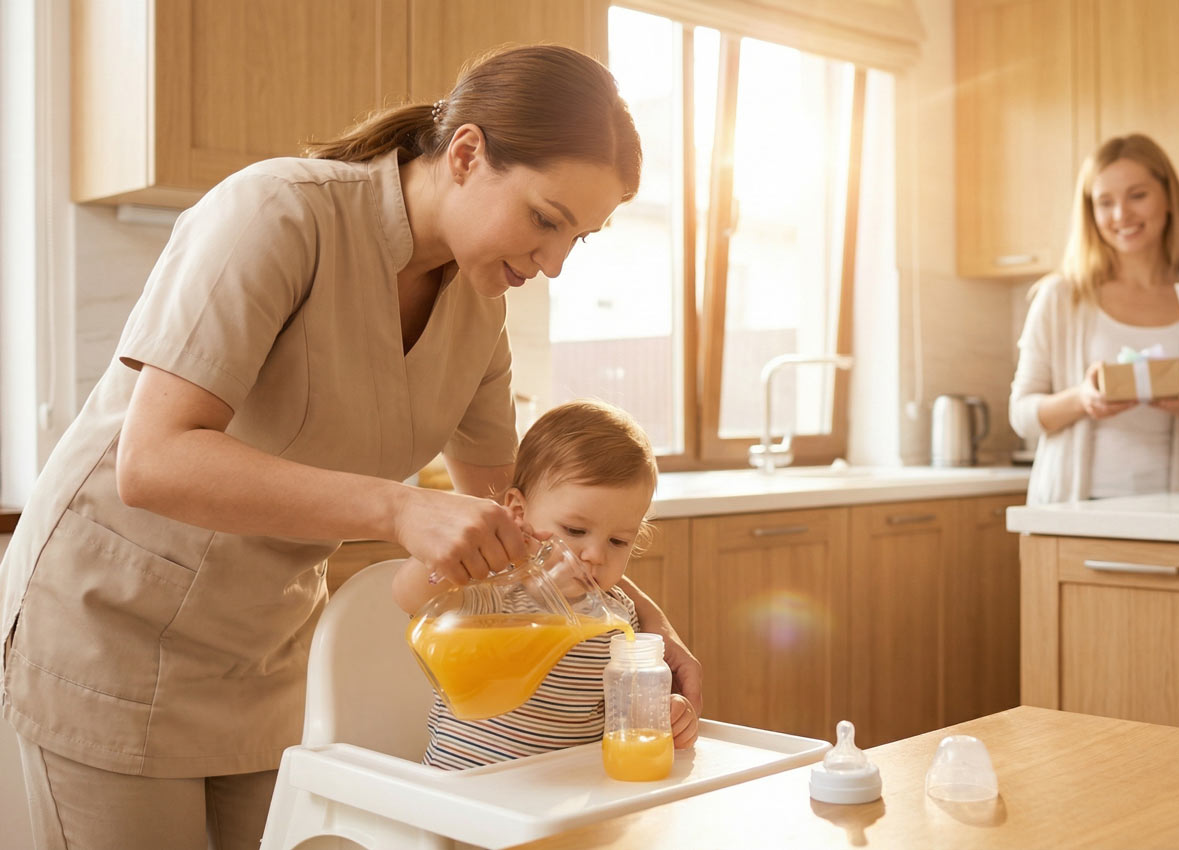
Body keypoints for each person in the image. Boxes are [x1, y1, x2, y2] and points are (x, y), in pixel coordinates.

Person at [0, 44, 699, 850]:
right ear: (467, 153)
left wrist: (652, 632)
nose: (553, 263)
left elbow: (524, 536)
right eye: (546, 219)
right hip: (110, 628)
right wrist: (397, 506)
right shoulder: (278, 214)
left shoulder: (478, 314)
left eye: (581, 237)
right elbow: (151, 460)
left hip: (261, 650)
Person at [393, 399, 698, 769]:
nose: (594, 555)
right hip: (462, 797)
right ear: (519, 513)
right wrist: (453, 551)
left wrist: (667, 714)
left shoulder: (620, 616)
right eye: (575, 530)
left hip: (562, 803)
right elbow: (408, 595)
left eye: (618, 541)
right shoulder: (494, 589)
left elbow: (628, 710)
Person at [1010, 134, 1179, 504]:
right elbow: (1022, 415)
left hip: (1175, 509)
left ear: (1169, 197)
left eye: (1137, 195)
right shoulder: (1061, 297)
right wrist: (1083, 399)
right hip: (1074, 506)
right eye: (1104, 202)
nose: (1121, 215)